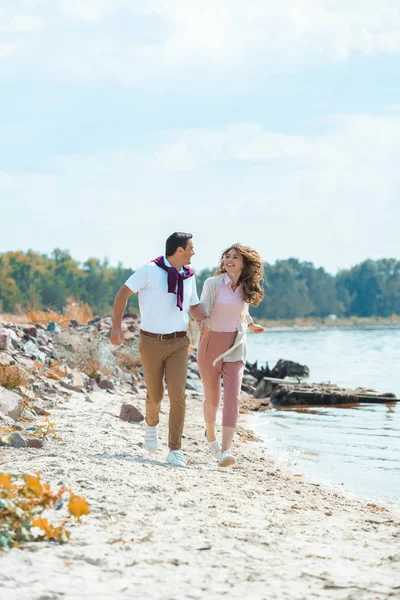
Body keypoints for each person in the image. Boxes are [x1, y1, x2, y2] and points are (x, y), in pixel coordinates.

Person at [110, 232, 207, 467]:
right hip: (151, 342)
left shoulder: (189, 276)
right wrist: (116, 328)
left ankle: (175, 449)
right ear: (180, 250)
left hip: (179, 343)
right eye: (191, 248)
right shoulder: (150, 270)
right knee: (155, 394)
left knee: (178, 394)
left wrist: (207, 322)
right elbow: (123, 293)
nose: (194, 252)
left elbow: (193, 307)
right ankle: (151, 425)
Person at [198, 243, 265, 468]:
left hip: (235, 345)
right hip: (211, 344)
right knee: (213, 398)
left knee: (233, 398)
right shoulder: (212, 283)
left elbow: (242, 313)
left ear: (244, 262)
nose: (229, 259)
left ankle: (225, 450)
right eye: (227, 256)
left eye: (235, 257)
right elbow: (203, 307)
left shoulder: (246, 288)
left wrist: (252, 325)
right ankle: (210, 435)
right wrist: (202, 322)